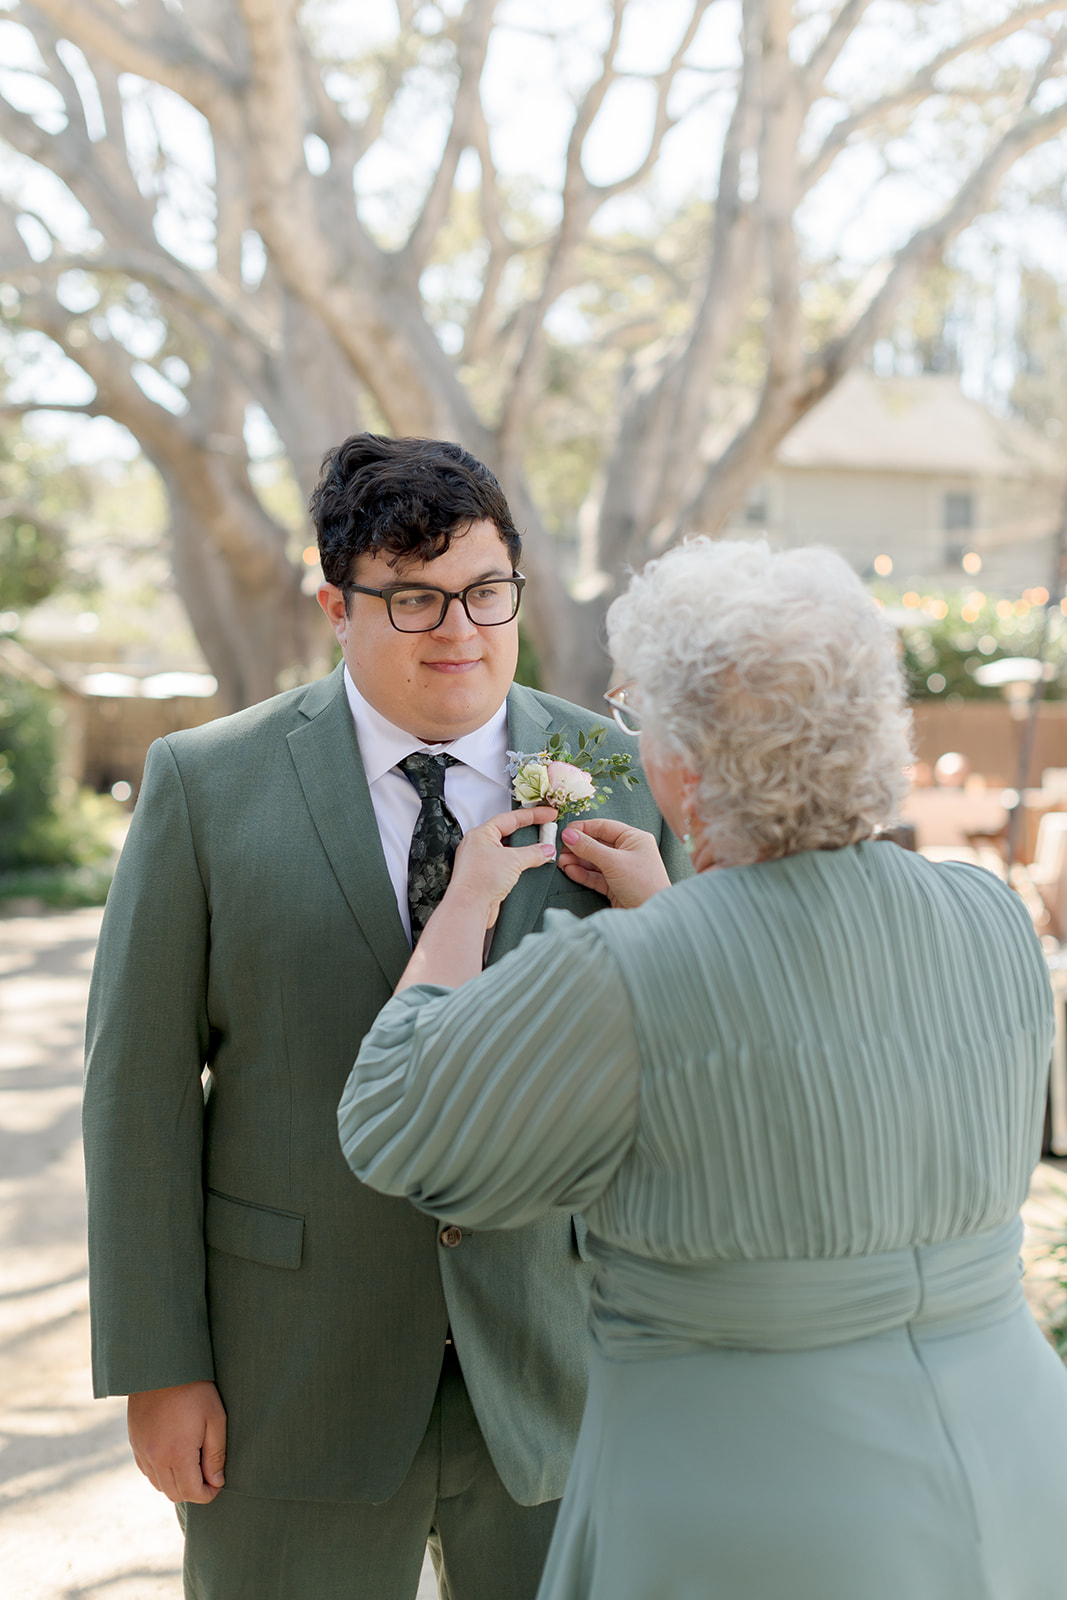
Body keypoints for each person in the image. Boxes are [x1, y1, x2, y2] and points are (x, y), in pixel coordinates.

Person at [339, 536, 1067, 1600]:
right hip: (1015, 1465)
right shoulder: (987, 917)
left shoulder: (622, 971)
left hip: (753, 1501)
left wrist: (464, 906)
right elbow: (815, 1052)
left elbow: (394, 1117)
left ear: (682, 764)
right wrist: (672, 912)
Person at [82, 433, 688, 1600]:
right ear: (336, 605)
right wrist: (159, 1366)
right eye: (411, 599)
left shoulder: (617, 771)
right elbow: (138, 1091)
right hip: (289, 1375)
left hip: (561, 1371)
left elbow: (686, 1068)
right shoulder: (203, 786)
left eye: (483, 590)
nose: (458, 629)